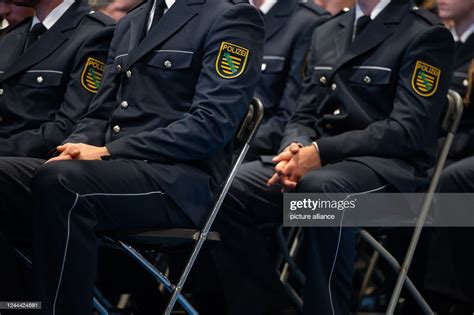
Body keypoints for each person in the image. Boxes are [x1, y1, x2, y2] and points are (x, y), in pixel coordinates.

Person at [0, 0, 265, 314]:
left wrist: (109, 151)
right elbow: (98, 114)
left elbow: (210, 126)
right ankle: (18, 306)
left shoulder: (230, 15)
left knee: (62, 182)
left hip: (178, 181)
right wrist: (72, 147)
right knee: (12, 175)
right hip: (115, 170)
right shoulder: (132, 20)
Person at [213, 0, 454, 314]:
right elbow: (303, 113)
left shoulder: (424, 33)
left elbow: (407, 131)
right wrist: (295, 148)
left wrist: (320, 153)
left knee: (322, 191)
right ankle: (268, 307)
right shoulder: (328, 29)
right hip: (318, 164)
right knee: (225, 189)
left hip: (390, 176)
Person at [0, 0, 114, 301]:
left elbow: (66, 129)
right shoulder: (15, 35)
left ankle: (17, 304)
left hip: (47, 167)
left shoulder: (95, 35)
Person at [424, 0, 474, 313]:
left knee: (449, 184)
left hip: (459, 156)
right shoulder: (438, 40)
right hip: (434, 153)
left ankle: (442, 300)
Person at [244, 0, 330, 161]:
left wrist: (229, 140)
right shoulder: (230, 12)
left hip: (257, 149)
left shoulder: (308, 21)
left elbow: (289, 116)